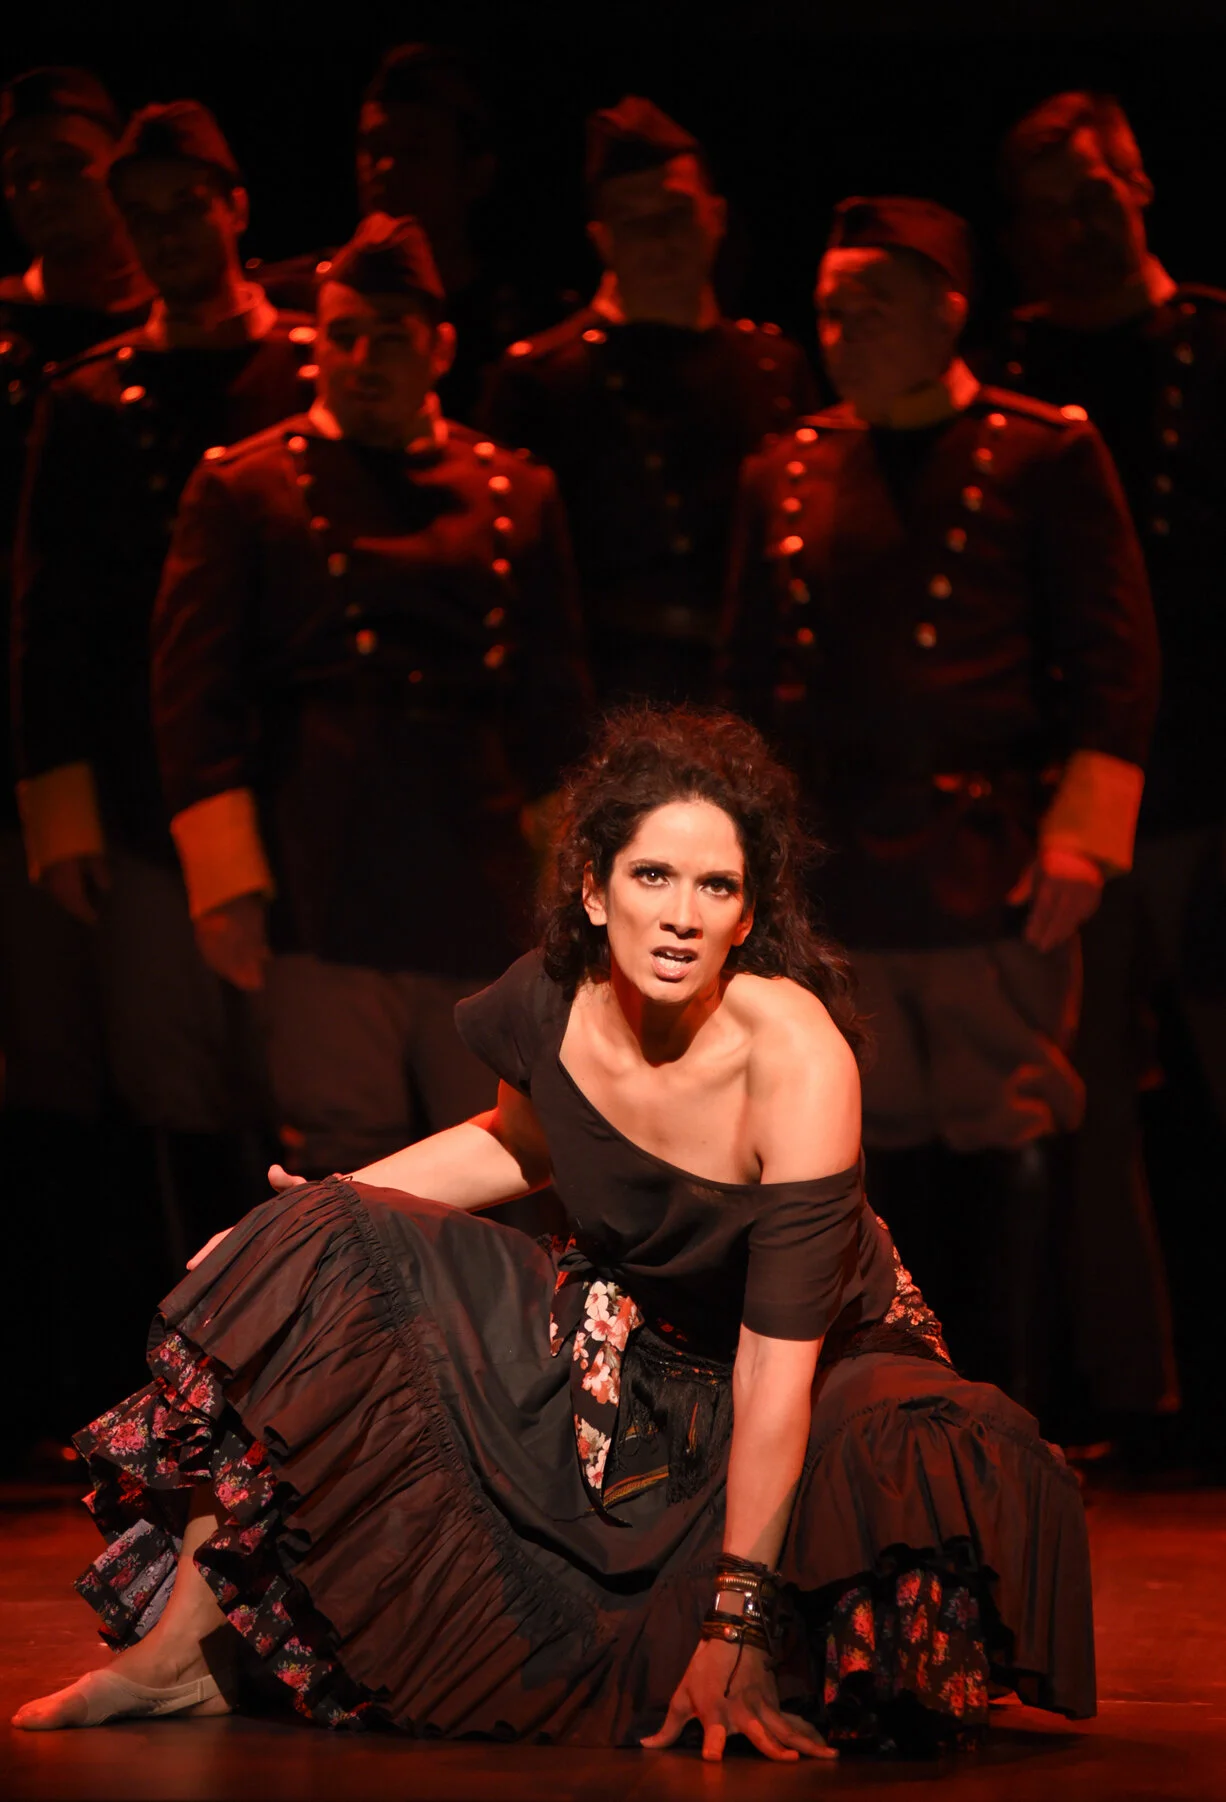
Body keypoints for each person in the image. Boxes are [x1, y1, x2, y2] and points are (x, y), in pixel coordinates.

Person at [12, 706, 1094, 1755]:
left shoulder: (797, 1058)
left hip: (816, 1366)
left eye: (715, 885)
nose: (681, 914)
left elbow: (775, 1365)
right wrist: (307, 1213)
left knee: (887, 1496)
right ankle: (178, 1656)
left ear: (748, 916)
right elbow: (519, 1141)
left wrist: (737, 1624)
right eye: (651, 876)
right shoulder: (551, 1001)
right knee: (318, 1245)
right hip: (634, 1349)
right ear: (592, 889)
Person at [724, 197, 1160, 1417]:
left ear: (945, 313)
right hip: (833, 868)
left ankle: (1006, 1414)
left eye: (870, 307)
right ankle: (891, 1425)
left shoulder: (1040, 453)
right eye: (828, 310)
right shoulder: (785, 466)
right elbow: (744, 681)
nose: (841, 331)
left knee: (1001, 1120)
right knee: (859, 1139)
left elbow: (1112, 657)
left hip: (983, 856)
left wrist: (1082, 832)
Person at [150, 211, 589, 1186]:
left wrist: (570, 886)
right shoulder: (248, 485)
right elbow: (195, 697)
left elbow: (554, 698)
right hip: (322, 856)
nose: (361, 359)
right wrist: (227, 886)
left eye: (389, 337)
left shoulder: (515, 489)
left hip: (475, 861)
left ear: (440, 347)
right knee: (341, 1145)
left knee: (499, 1148)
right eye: (341, 335)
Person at [11, 100, 318, 1261]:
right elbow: (48, 619)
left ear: (235, 208)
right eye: (140, 215)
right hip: (143, 780)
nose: (165, 234)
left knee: (298, 1079)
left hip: (292, 774)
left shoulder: (307, 366)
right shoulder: (90, 397)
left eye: (185, 207)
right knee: (169, 1081)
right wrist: (63, 817)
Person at [985, 91, 1220, 1448]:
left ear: (1139, 188)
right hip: (1073, 796)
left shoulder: (1211, 344)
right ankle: (1128, 1397)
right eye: (1043, 212)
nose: (1072, 231)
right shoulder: (1008, 371)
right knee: (1079, 1112)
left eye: (1092, 196)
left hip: (1210, 781)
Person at [0, 67, 155, 1474]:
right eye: (23, 172)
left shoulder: (164, 341)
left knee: (157, 1078)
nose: (46, 192)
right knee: (45, 1076)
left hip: (153, 757)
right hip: (34, 754)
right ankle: (54, 1373)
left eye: (71, 164)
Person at [481, 96, 815, 706]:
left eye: (675, 213)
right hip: (599, 697)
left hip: (752, 695)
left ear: (716, 216)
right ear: (601, 240)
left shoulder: (775, 369)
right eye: (634, 222)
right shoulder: (539, 382)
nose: (659, 239)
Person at [251, 43, 561, 423]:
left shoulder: (529, 323)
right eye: (373, 148)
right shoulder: (293, 302)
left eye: (415, 151)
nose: (385, 167)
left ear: (476, 174)